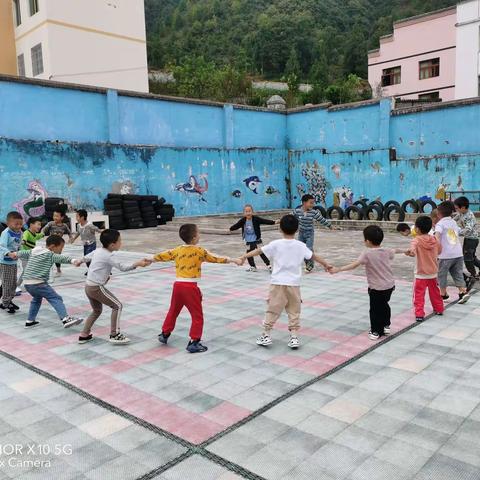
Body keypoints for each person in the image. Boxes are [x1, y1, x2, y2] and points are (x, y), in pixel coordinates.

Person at [243, 214, 332, 349]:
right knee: (294, 311)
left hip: (278, 283)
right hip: (294, 284)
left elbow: (258, 250)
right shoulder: (301, 246)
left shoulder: (275, 244)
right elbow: (313, 256)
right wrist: (326, 265)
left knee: (273, 309)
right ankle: (294, 338)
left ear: (280, 229)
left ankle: (266, 335)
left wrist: (244, 256)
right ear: (297, 230)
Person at [152, 224, 242, 353]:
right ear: (194, 238)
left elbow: (161, 255)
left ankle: (165, 334)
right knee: (197, 315)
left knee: (173, 310)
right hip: (190, 287)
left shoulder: (177, 250)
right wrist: (234, 260)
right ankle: (194, 342)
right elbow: (216, 258)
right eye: (198, 233)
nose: (200, 235)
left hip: (177, 286)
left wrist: (149, 259)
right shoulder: (199, 251)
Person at [78, 229, 150, 345]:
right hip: (96, 288)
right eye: (119, 241)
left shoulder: (98, 251)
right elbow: (123, 267)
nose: (121, 243)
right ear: (112, 244)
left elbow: (87, 256)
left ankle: (84, 335)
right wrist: (138, 264)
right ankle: (114, 334)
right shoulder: (109, 256)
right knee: (117, 306)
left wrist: (79, 261)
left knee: (96, 311)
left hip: (88, 286)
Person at [330, 225, 403, 340]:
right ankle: (386, 325)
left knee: (375, 309)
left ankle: (376, 331)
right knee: (384, 305)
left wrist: (339, 269)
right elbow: (396, 250)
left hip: (376, 288)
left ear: (368, 241)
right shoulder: (386, 250)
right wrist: (406, 251)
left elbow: (355, 264)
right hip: (389, 286)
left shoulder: (367, 253)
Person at [12, 236, 84, 329]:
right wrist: (73, 260)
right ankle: (65, 319)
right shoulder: (50, 254)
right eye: (61, 248)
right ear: (53, 246)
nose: (61, 250)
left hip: (27, 283)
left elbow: (23, 253)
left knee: (36, 299)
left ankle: (30, 321)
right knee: (56, 298)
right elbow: (62, 258)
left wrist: (14, 254)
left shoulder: (34, 251)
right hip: (38, 283)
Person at [406, 216, 444, 322]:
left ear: (417, 229)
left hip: (420, 273)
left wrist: (411, 252)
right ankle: (439, 309)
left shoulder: (416, 240)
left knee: (418, 294)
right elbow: (440, 251)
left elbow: (412, 249)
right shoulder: (435, 239)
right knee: (435, 292)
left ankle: (419, 314)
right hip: (433, 272)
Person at [435, 201, 470, 304]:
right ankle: (462, 292)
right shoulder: (453, 222)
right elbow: (458, 232)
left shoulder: (440, 224)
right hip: (458, 254)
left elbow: (437, 237)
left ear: (439, 213)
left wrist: (437, 248)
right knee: (457, 273)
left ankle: (443, 293)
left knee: (442, 274)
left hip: (445, 255)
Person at [229, 204, 277, 272]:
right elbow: (237, 225)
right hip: (248, 240)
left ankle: (269, 265)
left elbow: (264, 221)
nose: (248, 213)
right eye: (246, 211)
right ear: (244, 213)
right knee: (248, 253)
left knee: (261, 252)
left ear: (252, 212)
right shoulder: (243, 220)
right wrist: (230, 229)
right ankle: (253, 266)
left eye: (249, 211)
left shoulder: (256, 219)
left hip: (257, 239)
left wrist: (274, 222)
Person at [292, 194, 332, 273]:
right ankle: (307, 263)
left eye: (313, 203)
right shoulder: (297, 211)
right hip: (301, 233)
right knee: (301, 249)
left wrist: (330, 226)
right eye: (310, 203)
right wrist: (281, 220)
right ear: (304, 202)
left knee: (309, 249)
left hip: (309, 233)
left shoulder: (313, 212)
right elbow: (290, 217)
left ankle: (310, 264)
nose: (312, 205)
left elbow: (322, 219)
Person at [453, 196, 479, 291]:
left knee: (468, 259)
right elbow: (454, 219)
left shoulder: (469, 216)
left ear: (463, 207)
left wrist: (457, 232)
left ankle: (473, 275)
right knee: (472, 257)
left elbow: (468, 229)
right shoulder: (461, 213)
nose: (456, 210)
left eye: (457, 208)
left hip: (472, 239)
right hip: (468, 239)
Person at [0, 212, 23, 313]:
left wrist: (21, 252)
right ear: (8, 223)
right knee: (7, 283)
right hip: (5, 262)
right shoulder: (6, 233)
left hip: (13, 262)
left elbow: (19, 245)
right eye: (16, 224)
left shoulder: (20, 232)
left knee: (14, 284)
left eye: (20, 224)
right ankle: (5, 303)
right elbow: (1, 246)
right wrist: (9, 253)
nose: (18, 226)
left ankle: (9, 300)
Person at [42, 210, 73, 276]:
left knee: (57, 257)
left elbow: (69, 232)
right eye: (54, 216)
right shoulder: (51, 223)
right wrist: (42, 233)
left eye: (57, 216)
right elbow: (44, 229)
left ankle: (58, 270)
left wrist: (71, 238)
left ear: (62, 217)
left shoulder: (64, 226)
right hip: (50, 243)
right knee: (47, 256)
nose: (55, 217)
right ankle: (45, 270)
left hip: (58, 245)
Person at [17, 217, 44, 289]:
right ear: (31, 225)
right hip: (24, 254)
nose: (39, 226)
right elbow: (24, 238)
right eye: (38, 224)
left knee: (31, 269)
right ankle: (16, 284)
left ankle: (33, 283)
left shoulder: (35, 234)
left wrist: (45, 234)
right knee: (26, 270)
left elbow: (39, 235)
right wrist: (23, 242)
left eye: (40, 225)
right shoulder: (27, 232)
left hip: (31, 255)